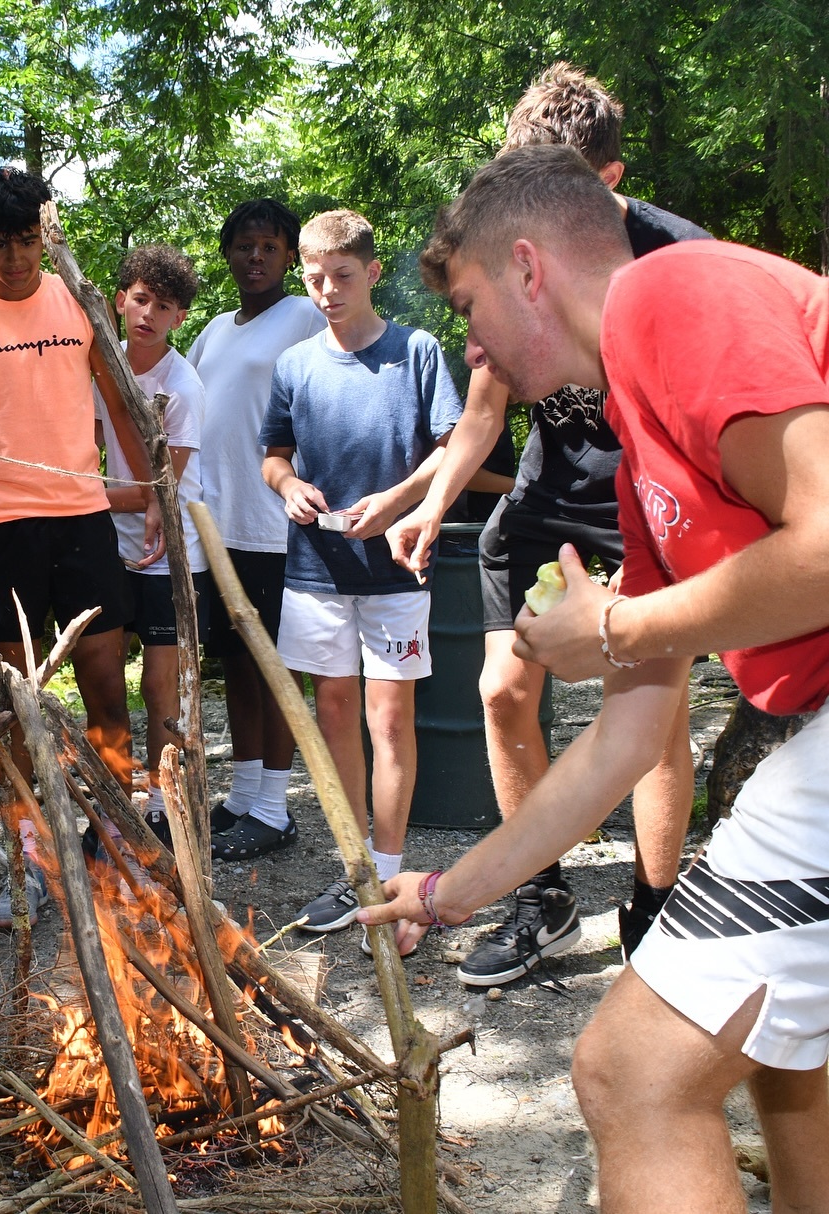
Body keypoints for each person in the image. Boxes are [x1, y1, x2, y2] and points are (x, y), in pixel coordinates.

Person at [363, 141, 829, 1214]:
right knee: (788, 1047)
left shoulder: (673, 293)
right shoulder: (637, 435)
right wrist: (445, 891)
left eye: (471, 303)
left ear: (530, 266)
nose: (469, 341)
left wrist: (615, 622)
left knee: (632, 1071)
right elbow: (623, 741)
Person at [384, 63, 706, 984]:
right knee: (499, 691)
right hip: (545, 500)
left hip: (641, 496)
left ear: (602, 186)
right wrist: (430, 503)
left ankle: (652, 904)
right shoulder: (503, 251)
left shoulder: (676, 266)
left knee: (647, 706)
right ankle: (544, 897)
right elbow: (483, 406)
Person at [0, 166, 163, 928]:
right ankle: (29, 861)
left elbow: (123, 408)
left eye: (28, 241)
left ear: (46, 234)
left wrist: (151, 490)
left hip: (82, 515)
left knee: (103, 685)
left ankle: (114, 844)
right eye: (0, 245)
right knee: (11, 705)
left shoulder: (80, 297)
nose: (17, 259)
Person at [259, 210, 461, 932]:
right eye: (314, 278)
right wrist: (288, 488)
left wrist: (400, 499)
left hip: (398, 567)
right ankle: (352, 869)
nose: (327, 291)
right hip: (316, 567)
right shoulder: (296, 364)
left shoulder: (418, 351)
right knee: (334, 712)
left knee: (390, 716)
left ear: (373, 273)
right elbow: (273, 455)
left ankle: (385, 868)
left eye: (342, 277)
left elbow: (454, 446)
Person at [186, 199, 326, 860]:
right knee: (237, 662)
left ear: (289, 255)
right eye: (244, 246)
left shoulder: (303, 315)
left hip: (276, 526)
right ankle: (243, 796)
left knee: (276, 667)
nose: (255, 258)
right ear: (228, 254)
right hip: (219, 524)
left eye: (269, 246)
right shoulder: (213, 329)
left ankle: (276, 809)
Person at [95, 244, 208, 839]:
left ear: (178, 318)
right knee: (105, 672)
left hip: (170, 553)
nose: (147, 314)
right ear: (119, 300)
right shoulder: (99, 365)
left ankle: (165, 805)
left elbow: (155, 493)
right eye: (140, 299)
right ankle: (115, 793)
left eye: (162, 306)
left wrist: (77, 496)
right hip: (109, 545)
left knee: (159, 681)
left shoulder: (182, 386)